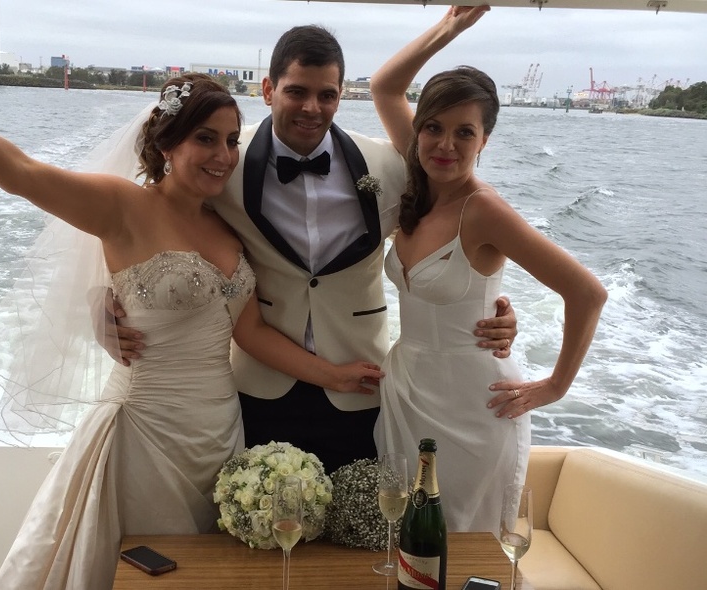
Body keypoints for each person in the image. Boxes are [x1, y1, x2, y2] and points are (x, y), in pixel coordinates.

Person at [0, 39, 383, 590]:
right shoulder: (122, 207)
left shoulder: (227, 227)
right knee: (144, 571)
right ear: (166, 145)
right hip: (146, 430)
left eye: (231, 141)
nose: (224, 156)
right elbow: (18, 172)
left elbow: (248, 330)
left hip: (221, 432)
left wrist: (335, 375)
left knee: (207, 573)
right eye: (205, 140)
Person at [106, 24, 519, 475]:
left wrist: (485, 302)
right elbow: (148, 221)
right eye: (297, 91)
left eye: (327, 95)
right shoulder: (224, 163)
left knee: (354, 533)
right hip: (257, 383)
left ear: (341, 95)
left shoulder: (391, 165)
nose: (311, 108)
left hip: (362, 381)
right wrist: (102, 308)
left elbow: (453, 223)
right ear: (268, 89)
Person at [370, 6, 607, 533]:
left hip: (475, 408)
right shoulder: (420, 172)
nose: (445, 145)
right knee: (405, 540)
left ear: (485, 141)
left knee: (463, 550)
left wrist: (555, 387)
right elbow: (386, 88)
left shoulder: (483, 210)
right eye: (433, 128)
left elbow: (587, 293)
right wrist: (449, 28)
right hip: (408, 391)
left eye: (465, 133)